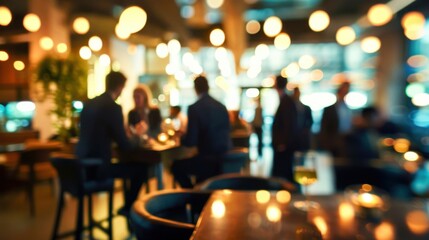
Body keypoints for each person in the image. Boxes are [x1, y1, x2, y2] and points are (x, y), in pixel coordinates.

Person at [76, 71, 147, 216]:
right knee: (141, 170)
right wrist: (138, 137)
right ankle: (128, 209)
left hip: (81, 168)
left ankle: (127, 208)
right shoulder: (113, 107)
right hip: (99, 169)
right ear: (120, 87)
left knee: (131, 168)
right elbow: (125, 145)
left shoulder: (88, 104)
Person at [171, 75, 232, 188]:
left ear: (195, 89)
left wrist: (181, 137)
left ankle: (192, 194)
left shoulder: (195, 108)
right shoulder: (222, 107)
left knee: (176, 166)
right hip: (225, 159)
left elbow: (191, 142)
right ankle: (199, 191)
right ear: (208, 87)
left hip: (206, 160)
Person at [271, 75, 298, 183]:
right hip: (283, 145)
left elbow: (288, 124)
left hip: (283, 146)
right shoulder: (285, 100)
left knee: (284, 174)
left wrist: (283, 142)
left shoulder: (286, 101)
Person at [319, 81, 353, 159]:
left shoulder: (347, 108)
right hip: (333, 143)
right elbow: (324, 128)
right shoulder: (329, 109)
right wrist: (325, 145)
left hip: (346, 142)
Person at [292, 87, 313, 151]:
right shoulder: (290, 107)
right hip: (293, 136)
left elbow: (310, 121)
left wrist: (305, 129)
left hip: (303, 135)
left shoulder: (305, 108)